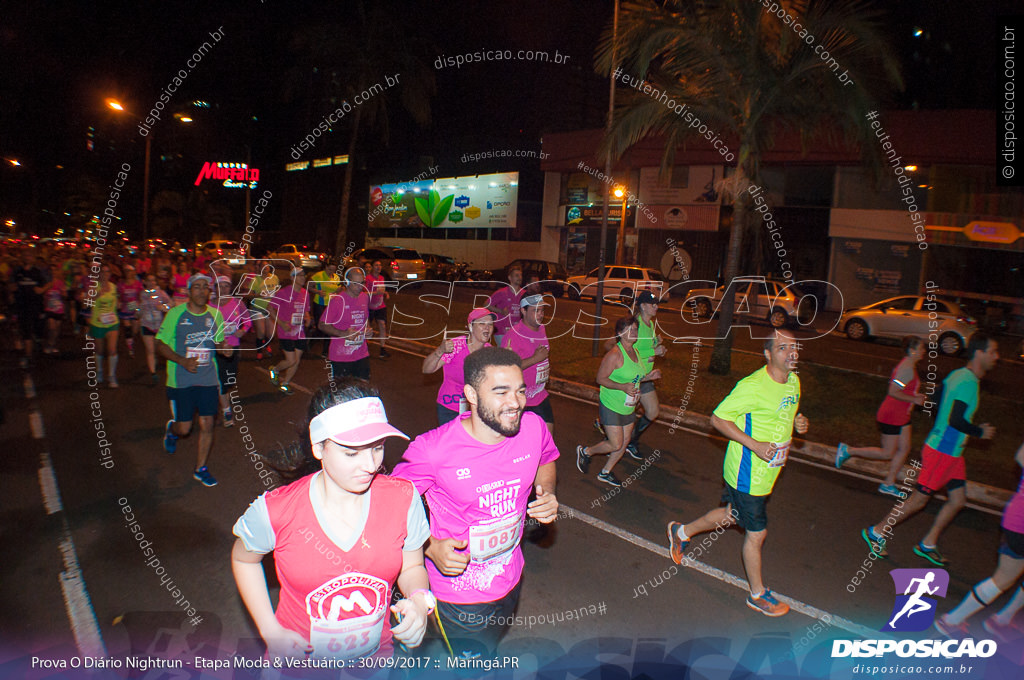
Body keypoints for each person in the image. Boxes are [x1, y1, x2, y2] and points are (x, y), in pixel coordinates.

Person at [231, 380, 433, 661]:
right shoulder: (277, 510)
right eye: (351, 452)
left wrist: (420, 601)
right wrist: (269, 629)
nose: (371, 464)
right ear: (318, 447)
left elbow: (412, 566)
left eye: (378, 447)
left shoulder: (404, 497)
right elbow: (244, 559)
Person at [393, 347, 559, 657]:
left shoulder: (533, 428)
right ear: (471, 394)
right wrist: (428, 545)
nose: (515, 403)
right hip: (457, 594)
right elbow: (389, 505)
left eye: (520, 391)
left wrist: (546, 491)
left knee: (488, 652)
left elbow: (546, 458)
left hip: (511, 577)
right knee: (473, 665)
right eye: (501, 392)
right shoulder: (433, 450)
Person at [666, 330, 808, 616]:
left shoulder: (793, 381)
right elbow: (718, 418)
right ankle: (757, 595)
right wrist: (754, 444)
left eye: (793, 347)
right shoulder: (752, 386)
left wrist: (799, 422)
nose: (790, 353)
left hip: (768, 472)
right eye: (782, 348)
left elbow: (782, 414)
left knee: (732, 516)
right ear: (768, 354)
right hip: (747, 473)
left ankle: (680, 532)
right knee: (757, 533)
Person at [861, 333, 999, 566]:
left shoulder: (958, 375)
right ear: (979, 353)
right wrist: (978, 432)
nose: (997, 357)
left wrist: (941, 422)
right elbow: (956, 419)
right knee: (918, 501)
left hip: (952, 453)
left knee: (957, 500)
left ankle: (928, 543)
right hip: (942, 452)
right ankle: (877, 531)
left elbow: (934, 399)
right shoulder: (968, 383)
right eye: (993, 351)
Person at [935, 441, 1024, 640]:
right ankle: (952, 620)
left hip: (1016, 515)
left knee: (1005, 576)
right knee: (1003, 578)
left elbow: (1020, 456)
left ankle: (1000, 620)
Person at [157, 274, 233, 487]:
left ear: (210, 292)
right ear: (189, 292)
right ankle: (172, 430)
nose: (201, 291)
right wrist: (181, 360)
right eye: (197, 287)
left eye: (205, 287)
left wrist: (224, 349)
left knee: (208, 424)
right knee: (185, 429)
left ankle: (201, 469)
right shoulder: (175, 314)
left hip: (208, 378)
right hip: (181, 380)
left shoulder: (215, 315)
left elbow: (218, 342)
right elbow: (160, 344)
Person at [836, 336, 927, 497]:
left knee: (905, 448)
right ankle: (848, 450)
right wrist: (914, 399)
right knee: (887, 453)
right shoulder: (906, 368)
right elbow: (892, 391)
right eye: (921, 348)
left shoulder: (909, 366)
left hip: (902, 415)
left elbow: (903, 389)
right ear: (912, 351)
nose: (923, 351)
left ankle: (888, 483)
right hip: (892, 415)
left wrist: (914, 397)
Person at [576, 316, 659, 487]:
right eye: (630, 329)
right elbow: (600, 378)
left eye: (635, 329)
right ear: (620, 333)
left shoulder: (635, 351)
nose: (634, 332)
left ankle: (605, 472)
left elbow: (635, 377)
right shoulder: (615, 354)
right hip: (611, 405)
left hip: (628, 406)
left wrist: (648, 377)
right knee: (615, 443)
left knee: (624, 441)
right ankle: (586, 452)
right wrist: (622, 387)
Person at [423, 308, 495, 426]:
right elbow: (427, 369)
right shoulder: (456, 346)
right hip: (450, 407)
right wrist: (440, 350)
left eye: (490, 324)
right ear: (471, 327)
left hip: (476, 410)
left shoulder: (490, 351)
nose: (487, 328)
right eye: (482, 323)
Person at [503, 294, 554, 433]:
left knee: (547, 437)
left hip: (540, 395)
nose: (541, 314)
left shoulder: (542, 328)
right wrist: (535, 359)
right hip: (521, 399)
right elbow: (506, 368)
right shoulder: (513, 336)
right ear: (523, 311)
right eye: (536, 310)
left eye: (542, 310)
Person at [625, 291, 666, 458]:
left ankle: (629, 439)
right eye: (652, 304)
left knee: (653, 412)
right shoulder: (637, 325)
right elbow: (629, 351)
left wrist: (656, 343)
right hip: (634, 377)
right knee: (624, 415)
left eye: (657, 303)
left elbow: (644, 345)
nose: (656, 306)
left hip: (646, 377)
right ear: (642, 306)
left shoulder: (649, 324)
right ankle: (622, 440)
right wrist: (653, 351)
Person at [319, 266, 370, 381]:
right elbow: (322, 324)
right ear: (346, 283)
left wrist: (368, 330)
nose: (360, 287)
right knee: (342, 394)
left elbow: (364, 319)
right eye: (356, 284)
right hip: (341, 357)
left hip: (361, 354)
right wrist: (343, 333)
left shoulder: (364, 297)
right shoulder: (337, 301)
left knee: (363, 391)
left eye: (362, 283)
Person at [213, 275, 252, 423]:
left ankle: (223, 398)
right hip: (216, 347)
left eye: (226, 286)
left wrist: (243, 330)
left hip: (234, 345)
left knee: (230, 380)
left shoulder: (237, 303)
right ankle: (226, 411)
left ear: (230, 288)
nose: (223, 289)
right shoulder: (209, 305)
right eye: (219, 286)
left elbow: (247, 321)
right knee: (221, 380)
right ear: (215, 288)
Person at [268, 268, 311, 394]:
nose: (303, 278)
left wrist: (307, 318)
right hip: (285, 331)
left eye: (304, 275)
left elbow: (306, 310)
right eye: (300, 276)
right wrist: (281, 323)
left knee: (296, 361)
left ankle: (285, 384)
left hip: (299, 331)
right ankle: (275, 370)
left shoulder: (305, 293)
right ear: (292, 278)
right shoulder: (283, 293)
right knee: (291, 360)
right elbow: (270, 308)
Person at [11, 248, 49, 367]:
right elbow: (11, 284)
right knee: (26, 330)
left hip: (36, 306)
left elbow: (50, 282)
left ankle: (38, 346)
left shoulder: (38, 271)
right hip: (22, 306)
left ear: (33, 258)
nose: (27, 257)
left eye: (30, 255)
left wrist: (42, 289)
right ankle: (28, 356)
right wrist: (12, 289)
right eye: (25, 255)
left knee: (38, 331)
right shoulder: (17, 271)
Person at [88, 265, 121, 387]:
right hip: (97, 323)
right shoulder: (94, 287)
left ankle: (111, 376)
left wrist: (120, 304)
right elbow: (86, 302)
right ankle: (99, 371)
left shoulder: (113, 287)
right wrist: (96, 295)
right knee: (99, 350)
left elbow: (117, 302)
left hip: (112, 322)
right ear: (99, 274)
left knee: (112, 349)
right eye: (103, 272)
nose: (105, 274)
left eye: (107, 272)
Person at [139, 273, 172, 385]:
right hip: (146, 324)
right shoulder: (142, 294)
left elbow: (170, 304)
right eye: (149, 280)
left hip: (159, 326)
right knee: (150, 350)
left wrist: (164, 307)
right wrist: (137, 310)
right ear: (145, 282)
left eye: (153, 280)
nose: (151, 283)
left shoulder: (161, 293)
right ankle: (153, 373)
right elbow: (138, 311)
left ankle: (157, 361)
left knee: (159, 348)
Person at [308, 259, 340, 357]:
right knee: (320, 327)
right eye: (330, 269)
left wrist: (338, 292)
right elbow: (308, 286)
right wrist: (317, 291)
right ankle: (309, 345)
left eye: (333, 270)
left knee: (328, 327)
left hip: (331, 305)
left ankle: (325, 351)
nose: (331, 272)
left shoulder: (336, 277)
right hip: (319, 304)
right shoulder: (319, 275)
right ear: (326, 267)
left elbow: (338, 288)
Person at [487, 265, 523, 347]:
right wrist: (501, 311)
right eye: (516, 275)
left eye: (521, 275)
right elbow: (486, 304)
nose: (519, 277)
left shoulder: (524, 293)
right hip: (502, 330)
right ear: (510, 278)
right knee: (506, 354)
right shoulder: (502, 292)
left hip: (516, 331)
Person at [250, 264, 280, 360]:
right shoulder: (255, 279)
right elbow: (250, 295)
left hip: (270, 309)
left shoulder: (274, 278)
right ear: (259, 268)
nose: (265, 268)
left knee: (271, 334)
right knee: (261, 332)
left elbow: (277, 290)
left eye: (266, 266)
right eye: (262, 266)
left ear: (269, 268)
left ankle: (266, 344)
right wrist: (259, 295)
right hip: (258, 308)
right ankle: (259, 352)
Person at [366, 260, 391, 359]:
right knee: (368, 328)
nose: (378, 267)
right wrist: (375, 293)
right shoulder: (368, 279)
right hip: (369, 306)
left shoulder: (381, 278)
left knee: (382, 325)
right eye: (376, 265)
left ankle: (382, 349)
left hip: (381, 306)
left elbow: (382, 289)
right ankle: (364, 348)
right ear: (372, 267)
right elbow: (364, 293)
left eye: (380, 265)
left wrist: (386, 293)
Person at [118, 264, 144, 358]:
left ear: (133, 272)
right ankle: (130, 348)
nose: (128, 273)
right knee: (127, 329)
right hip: (125, 309)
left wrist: (140, 305)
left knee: (135, 329)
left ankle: (130, 341)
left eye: (130, 271)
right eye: (126, 271)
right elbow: (118, 295)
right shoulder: (121, 284)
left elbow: (142, 296)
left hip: (135, 309)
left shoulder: (138, 283)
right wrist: (118, 302)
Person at [42, 273, 67, 355]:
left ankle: (53, 344)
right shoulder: (47, 284)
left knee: (56, 329)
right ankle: (49, 343)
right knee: (51, 327)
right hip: (50, 310)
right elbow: (44, 296)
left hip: (59, 310)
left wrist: (62, 291)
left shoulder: (60, 284)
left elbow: (65, 295)